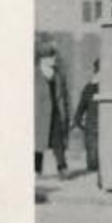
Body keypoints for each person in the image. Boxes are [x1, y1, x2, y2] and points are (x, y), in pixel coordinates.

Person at [34, 38, 70, 179]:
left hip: (56, 112)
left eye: (54, 55)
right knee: (37, 142)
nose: (55, 59)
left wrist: (67, 113)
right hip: (39, 114)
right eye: (52, 56)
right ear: (44, 58)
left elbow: (65, 96)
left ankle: (62, 168)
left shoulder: (58, 75)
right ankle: (36, 170)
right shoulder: (34, 74)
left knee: (58, 141)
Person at [74, 58, 101, 179]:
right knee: (94, 159)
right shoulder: (93, 87)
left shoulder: (89, 87)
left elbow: (81, 107)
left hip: (92, 126)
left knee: (93, 160)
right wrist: (78, 120)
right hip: (95, 126)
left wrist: (78, 121)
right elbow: (81, 107)